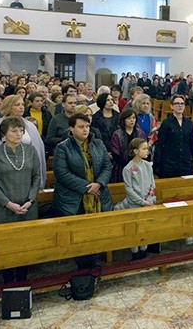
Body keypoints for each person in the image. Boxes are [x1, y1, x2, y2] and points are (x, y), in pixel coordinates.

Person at [53, 113, 113, 269]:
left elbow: (107, 166)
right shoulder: (63, 147)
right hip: (74, 199)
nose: (85, 130)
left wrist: (99, 183)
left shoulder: (98, 143)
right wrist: (88, 187)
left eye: (87, 126)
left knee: (95, 232)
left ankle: (93, 266)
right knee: (80, 235)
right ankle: (83, 269)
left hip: (98, 195)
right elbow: (62, 173)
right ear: (71, 129)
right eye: (81, 127)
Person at [0, 117, 40, 283]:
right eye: (14, 131)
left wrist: (30, 200)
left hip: (27, 206)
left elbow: (36, 176)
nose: (18, 134)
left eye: (21, 130)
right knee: (6, 247)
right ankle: (8, 282)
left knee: (24, 245)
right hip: (3, 208)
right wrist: (8, 203)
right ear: (4, 133)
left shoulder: (30, 151)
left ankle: (23, 281)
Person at [0, 95, 47, 190]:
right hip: (4, 173)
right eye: (17, 104)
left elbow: (38, 150)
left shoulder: (30, 126)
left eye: (22, 104)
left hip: (26, 171)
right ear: (8, 106)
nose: (21, 107)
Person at [114, 138, 156, 260]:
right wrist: (142, 201)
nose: (147, 151)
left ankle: (144, 251)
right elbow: (129, 190)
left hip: (148, 201)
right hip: (135, 204)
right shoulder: (128, 169)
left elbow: (152, 182)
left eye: (147, 148)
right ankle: (135, 252)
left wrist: (149, 196)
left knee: (145, 228)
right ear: (136, 151)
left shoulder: (148, 165)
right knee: (135, 229)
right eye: (144, 149)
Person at [153, 95, 193, 178]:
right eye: (177, 103)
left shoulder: (189, 123)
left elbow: (192, 143)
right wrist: (157, 163)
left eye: (182, 103)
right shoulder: (166, 123)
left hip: (185, 161)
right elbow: (160, 144)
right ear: (172, 106)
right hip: (169, 162)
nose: (180, 105)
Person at [110, 109, 146, 183]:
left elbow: (145, 149)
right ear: (124, 120)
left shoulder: (140, 133)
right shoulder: (117, 134)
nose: (132, 120)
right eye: (129, 118)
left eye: (133, 118)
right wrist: (128, 165)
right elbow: (115, 153)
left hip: (138, 166)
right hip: (121, 167)